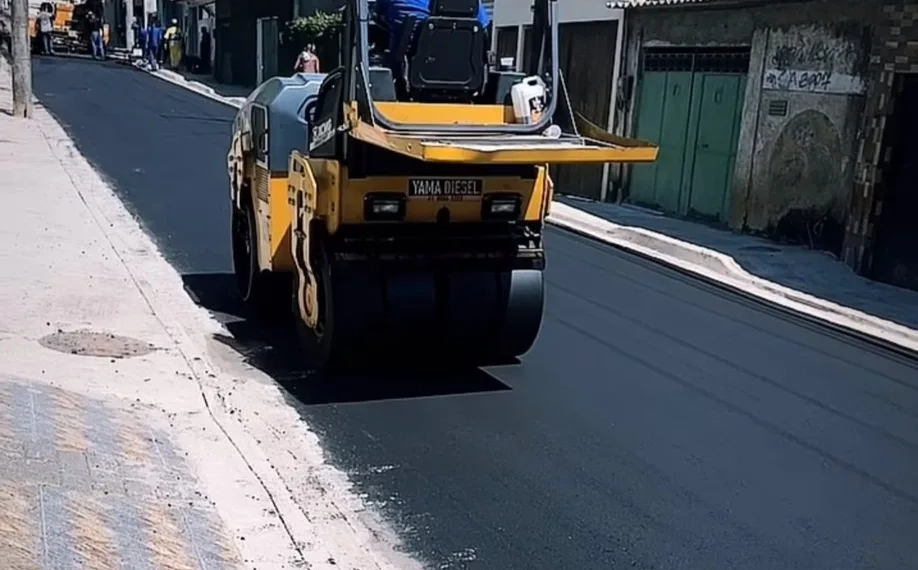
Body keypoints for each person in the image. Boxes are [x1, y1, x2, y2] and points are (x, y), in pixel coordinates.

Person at [375, 0, 490, 67]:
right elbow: (483, 30)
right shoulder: (471, 3)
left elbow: (379, 15)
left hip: (407, 73)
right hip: (463, 74)